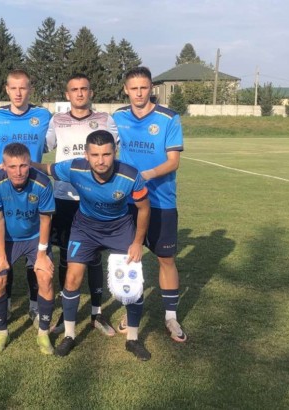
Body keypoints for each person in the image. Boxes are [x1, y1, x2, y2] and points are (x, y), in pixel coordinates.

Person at [34, 130, 152, 360]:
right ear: (86, 155)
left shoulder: (130, 175)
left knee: (132, 282)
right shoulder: (75, 168)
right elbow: (47, 168)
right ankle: (69, 335)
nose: (101, 160)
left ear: (114, 153)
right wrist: (23, 163)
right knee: (72, 278)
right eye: (95, 155)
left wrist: (138, 242)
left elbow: (144, 209)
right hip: (85, 227)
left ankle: (133, 339)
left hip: (119, 228)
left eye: (106, 154)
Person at [112, 66, 187, 343]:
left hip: (161, 200)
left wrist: (145, 175)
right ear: (126, 90)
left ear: (151, 88)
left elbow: (173, 162)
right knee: (130, 256)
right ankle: (130, 312)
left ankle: (171, 317)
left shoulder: (169, 118)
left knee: (166, 259)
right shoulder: (118, 117)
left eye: (144, 87)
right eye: (134, 88)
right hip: (128, 202)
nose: (139, 93)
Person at [45, 73, 118, 336]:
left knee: (95, 256)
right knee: (67, 256)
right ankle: (66, 315)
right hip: (64, 197)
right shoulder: (56, 120)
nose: (79, 93)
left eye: (84, 89)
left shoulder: (105, 120)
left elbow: (113, 155)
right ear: (67, 95)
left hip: (94, 198)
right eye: (74, 89)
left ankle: (97, 313)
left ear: (91, 92)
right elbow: (44, 147)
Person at [0, 69, 51, 326]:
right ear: (6, 89)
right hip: (4, 188)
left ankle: (35, 305)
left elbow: (50, 143)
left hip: (33, 187)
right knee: (5, 248)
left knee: (34, 253)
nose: (18, 93)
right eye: (13, 88)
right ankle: (7, 303)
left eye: (23, 87)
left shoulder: (43, 115)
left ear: (30, 89)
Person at [0, 143, 56, 355]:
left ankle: (43, 333)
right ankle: (2, 331)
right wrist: (1, 255)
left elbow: (45, 220)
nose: (18, 172)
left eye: (23, 166)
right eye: (12, 166)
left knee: (45, 276)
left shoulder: (42, 183)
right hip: (6, 238)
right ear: (4, 166)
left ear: (29, 164)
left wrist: (42, 254)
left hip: (34, 237)